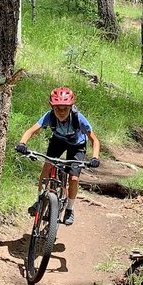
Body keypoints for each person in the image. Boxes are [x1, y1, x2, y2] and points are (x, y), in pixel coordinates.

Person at [16, 87, 100, 226]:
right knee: (47, 166)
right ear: (52, 107)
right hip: (58, 141)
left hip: (77, 145)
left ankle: (69, 209)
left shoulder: (78, 118)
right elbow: (31, 131)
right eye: (58, 109)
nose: (61, 112)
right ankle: (39, 200)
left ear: (71, 107)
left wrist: (95, 158)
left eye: (65, 109)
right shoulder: (49, 116)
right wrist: (22, 143)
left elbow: (94, 140)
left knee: (73, 178)